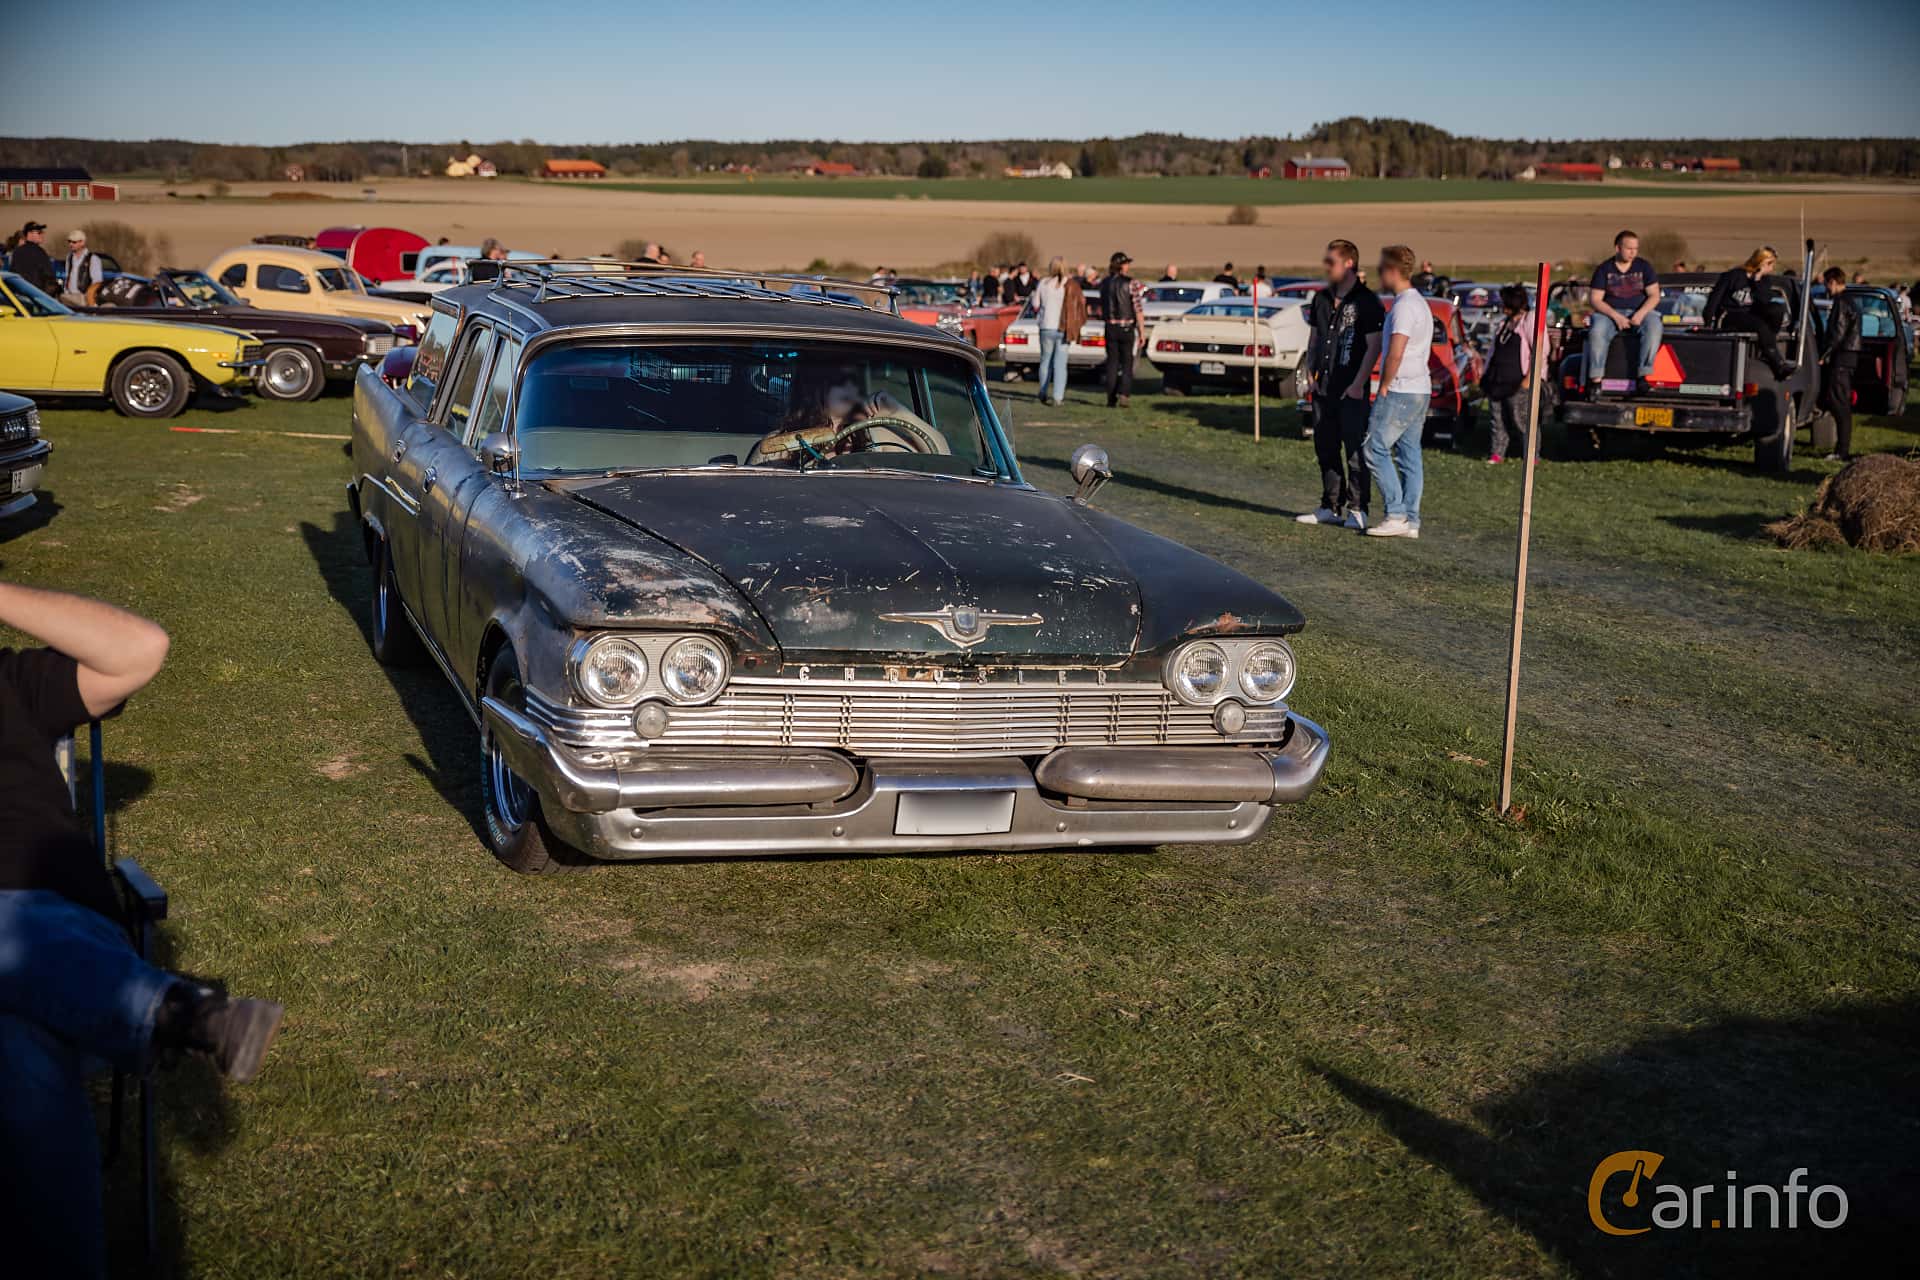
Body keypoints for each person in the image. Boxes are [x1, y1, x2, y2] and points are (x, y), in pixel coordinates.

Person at [1, 581, 284, 1277]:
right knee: (18, 1030)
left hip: (53, 921)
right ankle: (172, 1010)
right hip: (50, 974)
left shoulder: (14, 685)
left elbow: (141, 649)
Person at [1297, 239, 1384, 531]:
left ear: (1349, 263)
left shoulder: (1366, 301)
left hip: (1352, 388)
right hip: (1323, 388)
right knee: (1325, 447)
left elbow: (1374, 346)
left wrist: (1359, 383)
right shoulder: (1320, 299)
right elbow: (1314, 338)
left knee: (1355, 450)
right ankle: (1330, 505)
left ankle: (1358, 508)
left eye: (1331, 262)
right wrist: (1309, 372)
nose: (1326, 267)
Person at [1363, 245, 1432, 540]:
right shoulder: (1419, 303)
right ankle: (1411, 521)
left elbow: (1396, 352)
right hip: (1420, 389)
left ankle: (1396, 514)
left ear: (1392, 271)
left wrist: (1385, 385)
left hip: (1402, 389)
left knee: (1373, 447)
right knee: (1408, 454)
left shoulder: (1404, 306)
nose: (1379, 274)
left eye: (1381, 269)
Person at [1584, 229, 1662, 395]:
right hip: (1610, 313)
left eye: (1636, 248)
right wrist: (1616, 317)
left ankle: (1643, 375)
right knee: (1597, 330)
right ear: (1618, 248)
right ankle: (1596, 380)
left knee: (1654, 325)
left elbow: (1654, 295)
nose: (1633, 252)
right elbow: (1595, 299)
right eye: (1629, 248)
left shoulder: (1644, 267)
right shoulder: (1604, 269)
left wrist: (1641, 314)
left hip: (1640, 311)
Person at [1705, 247, 1791, 378]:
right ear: (1762, 262)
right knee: (1759, 326)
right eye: (1770, 264)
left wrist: (1757, 279)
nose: (1772, 268)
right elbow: (1714, 300)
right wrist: (1708, 322)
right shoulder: (1733, 276)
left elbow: (1764, 300)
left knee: (1776, 309)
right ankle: (1778, 363)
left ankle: (1767, 347)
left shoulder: (1764, 280)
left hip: (1751, 314)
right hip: (1730, 315)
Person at [1482, 284, 1536, 464]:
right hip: (1497, 380)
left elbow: (1539, 352)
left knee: (1521, 419)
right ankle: (1497, 453)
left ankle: (1531, 454)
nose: (1502, 307)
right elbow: (1493, 351)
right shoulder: (1504, 324)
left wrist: (1530, 378)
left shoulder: (1529, 321)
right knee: (1497, 420)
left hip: (1518, 381)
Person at [1817, 266, 1859, 461]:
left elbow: (1838, 333)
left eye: (1827, 283)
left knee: (1839, 403)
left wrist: (1824, 354)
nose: (1827, 288)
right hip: (1849, 356)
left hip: (1841, 357)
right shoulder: (1851, 300)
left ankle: (1842, 451)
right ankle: (1842, 449)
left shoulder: (1841, 302)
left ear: (1833, 281)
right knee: (1840, 402)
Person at [1031, 257, 1084, 407]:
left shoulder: (1043, 283)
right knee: (1060, 364)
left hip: (1046, 326)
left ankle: (1043, 391)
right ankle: (1058, 396)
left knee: (1045, 361)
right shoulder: (1069, 284)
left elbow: (1035, 304)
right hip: (1063, 328)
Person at [1099, 251, 1147, 408]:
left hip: (1110, 326)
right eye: (1126, 263)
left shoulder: (1104, 283)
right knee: (1127, 362)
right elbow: (1138, 309)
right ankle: (1124, 394)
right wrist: (1142, 331)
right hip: (1126, 327)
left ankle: (1110, 397)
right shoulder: (1131, 283)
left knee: (1112, 363)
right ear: (1121, 266)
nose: (1128, 266)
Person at [59, 229, 106, 307]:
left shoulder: (93, 259)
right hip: (70, 297)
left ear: (82, 242)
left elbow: (97, 282)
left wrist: (90, 301)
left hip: (84, 298)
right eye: (69, 241)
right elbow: (68, 277)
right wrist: (66, 292)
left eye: (74, 242)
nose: (71, 244)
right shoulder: (69, 257)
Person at [9, 221, 57, 295]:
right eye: (39, 232)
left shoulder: (17, 252)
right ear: (29, 234)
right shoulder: (40, 252)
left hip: (20, 297)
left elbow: (13, 276)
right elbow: (49, 278)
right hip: (36, 297)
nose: (42, 234)